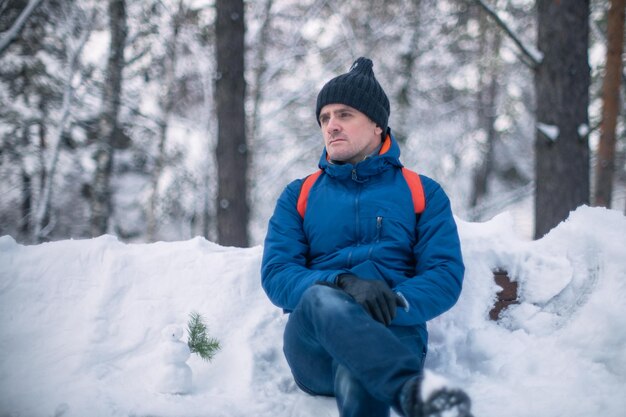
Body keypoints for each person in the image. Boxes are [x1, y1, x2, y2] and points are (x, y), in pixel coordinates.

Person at [261, 57, 471, 417]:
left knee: (360, 373)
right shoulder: (300, 194)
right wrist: (342, 283)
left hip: (391, 333)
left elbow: (444, 274)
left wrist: (393, 301)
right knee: (317, 299)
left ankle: (401, 387)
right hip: (315, 345)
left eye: (344, 114)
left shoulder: (422, 191)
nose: (331, 126)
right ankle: (411, 392)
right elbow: (278, 274)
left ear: (377, 125)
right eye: (325, 118)